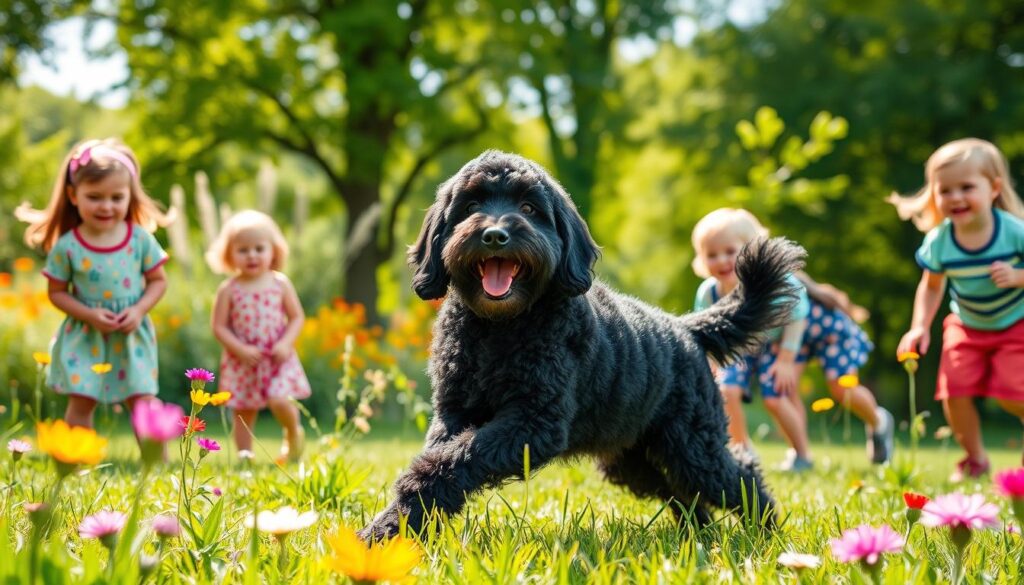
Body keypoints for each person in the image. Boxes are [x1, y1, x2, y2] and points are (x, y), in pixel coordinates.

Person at [691, 208, 894, 470]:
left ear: (752, 250)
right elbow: (707, 330)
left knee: (841, 388)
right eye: (711, 254)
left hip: (821, 331)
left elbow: (797, 315)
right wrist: (712, 362)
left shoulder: (771, 281)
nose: (721, 261)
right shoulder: (709, 293)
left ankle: (878, 421)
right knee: (753, 390)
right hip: (779, 339)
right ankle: (749, 453)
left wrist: (786, 359)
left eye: (730, 251)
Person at [16, 138, 173, 428]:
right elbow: (57, 293)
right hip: (85, 334)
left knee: (143, 402)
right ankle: (76, 465)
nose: (106, 206)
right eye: (95, 196)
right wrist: (89, 315)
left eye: (116, 197)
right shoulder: (68, 247)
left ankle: (156, 468)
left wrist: (138, 310)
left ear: (130, 197)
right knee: (81, 401)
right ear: (73, 195)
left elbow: (158, 282)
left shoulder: (139, 240)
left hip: (131, 332)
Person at [893, 138, 1024, 481]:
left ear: (994, 188)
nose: (955, 197)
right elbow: (932, 286)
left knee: (1014, 393)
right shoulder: (940, 241)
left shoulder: (1012, 232)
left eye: (967, 187)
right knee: (954, 392)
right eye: (945, 190)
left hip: (1016, 322)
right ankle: (975, 459)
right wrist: (919, 326)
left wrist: (1018, 276)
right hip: (966, 324)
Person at [206, 210, 310, 460]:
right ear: (229, 255)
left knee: (279, 399)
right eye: (243, 250)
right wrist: (239, 349)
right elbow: (218, 326)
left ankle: (293, 432)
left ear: (273, 251)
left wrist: (286, 343)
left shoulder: (280, 283)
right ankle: (245, 454)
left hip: (277, 357)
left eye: (259, 248)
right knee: (243, 410)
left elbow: (297, 317)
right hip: (242, 359)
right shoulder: (228, 289)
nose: (251, 255)